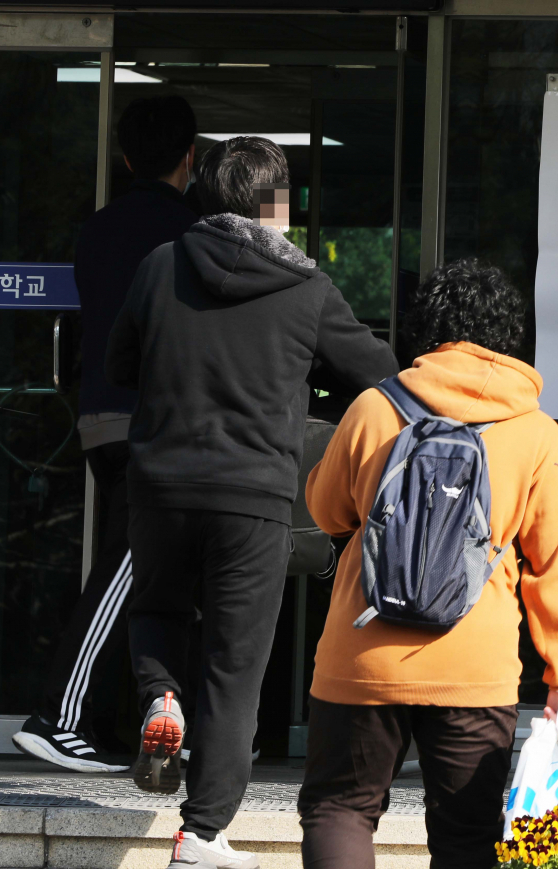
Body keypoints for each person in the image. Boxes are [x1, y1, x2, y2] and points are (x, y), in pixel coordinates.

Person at [106, 136, 398, 869]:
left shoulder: (160, 266)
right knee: (235, 668)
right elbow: (381, 375)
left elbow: (116, 364)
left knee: (156, 611)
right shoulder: (308, 289)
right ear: (281, 207)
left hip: (161, 482)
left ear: (205, 194)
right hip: (255, 496)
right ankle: (201, 834)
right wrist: (304, 386)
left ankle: (160, 695)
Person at [297, 259, 558, 869]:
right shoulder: (537, 432)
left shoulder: (374, 409)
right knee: (466, 834)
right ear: (508, 335)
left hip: (363, 655)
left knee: (341, 810)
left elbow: (327, 512)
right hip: (474, 665)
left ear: (425, 328)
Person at [12, 95, 199, 773]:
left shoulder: (95, 229)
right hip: (159, 425)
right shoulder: (192, 231)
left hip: (101, 418)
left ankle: (131, 721)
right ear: (191, 157)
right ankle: (61, 716)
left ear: (124, 157)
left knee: (150, 575)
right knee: (130, 567)